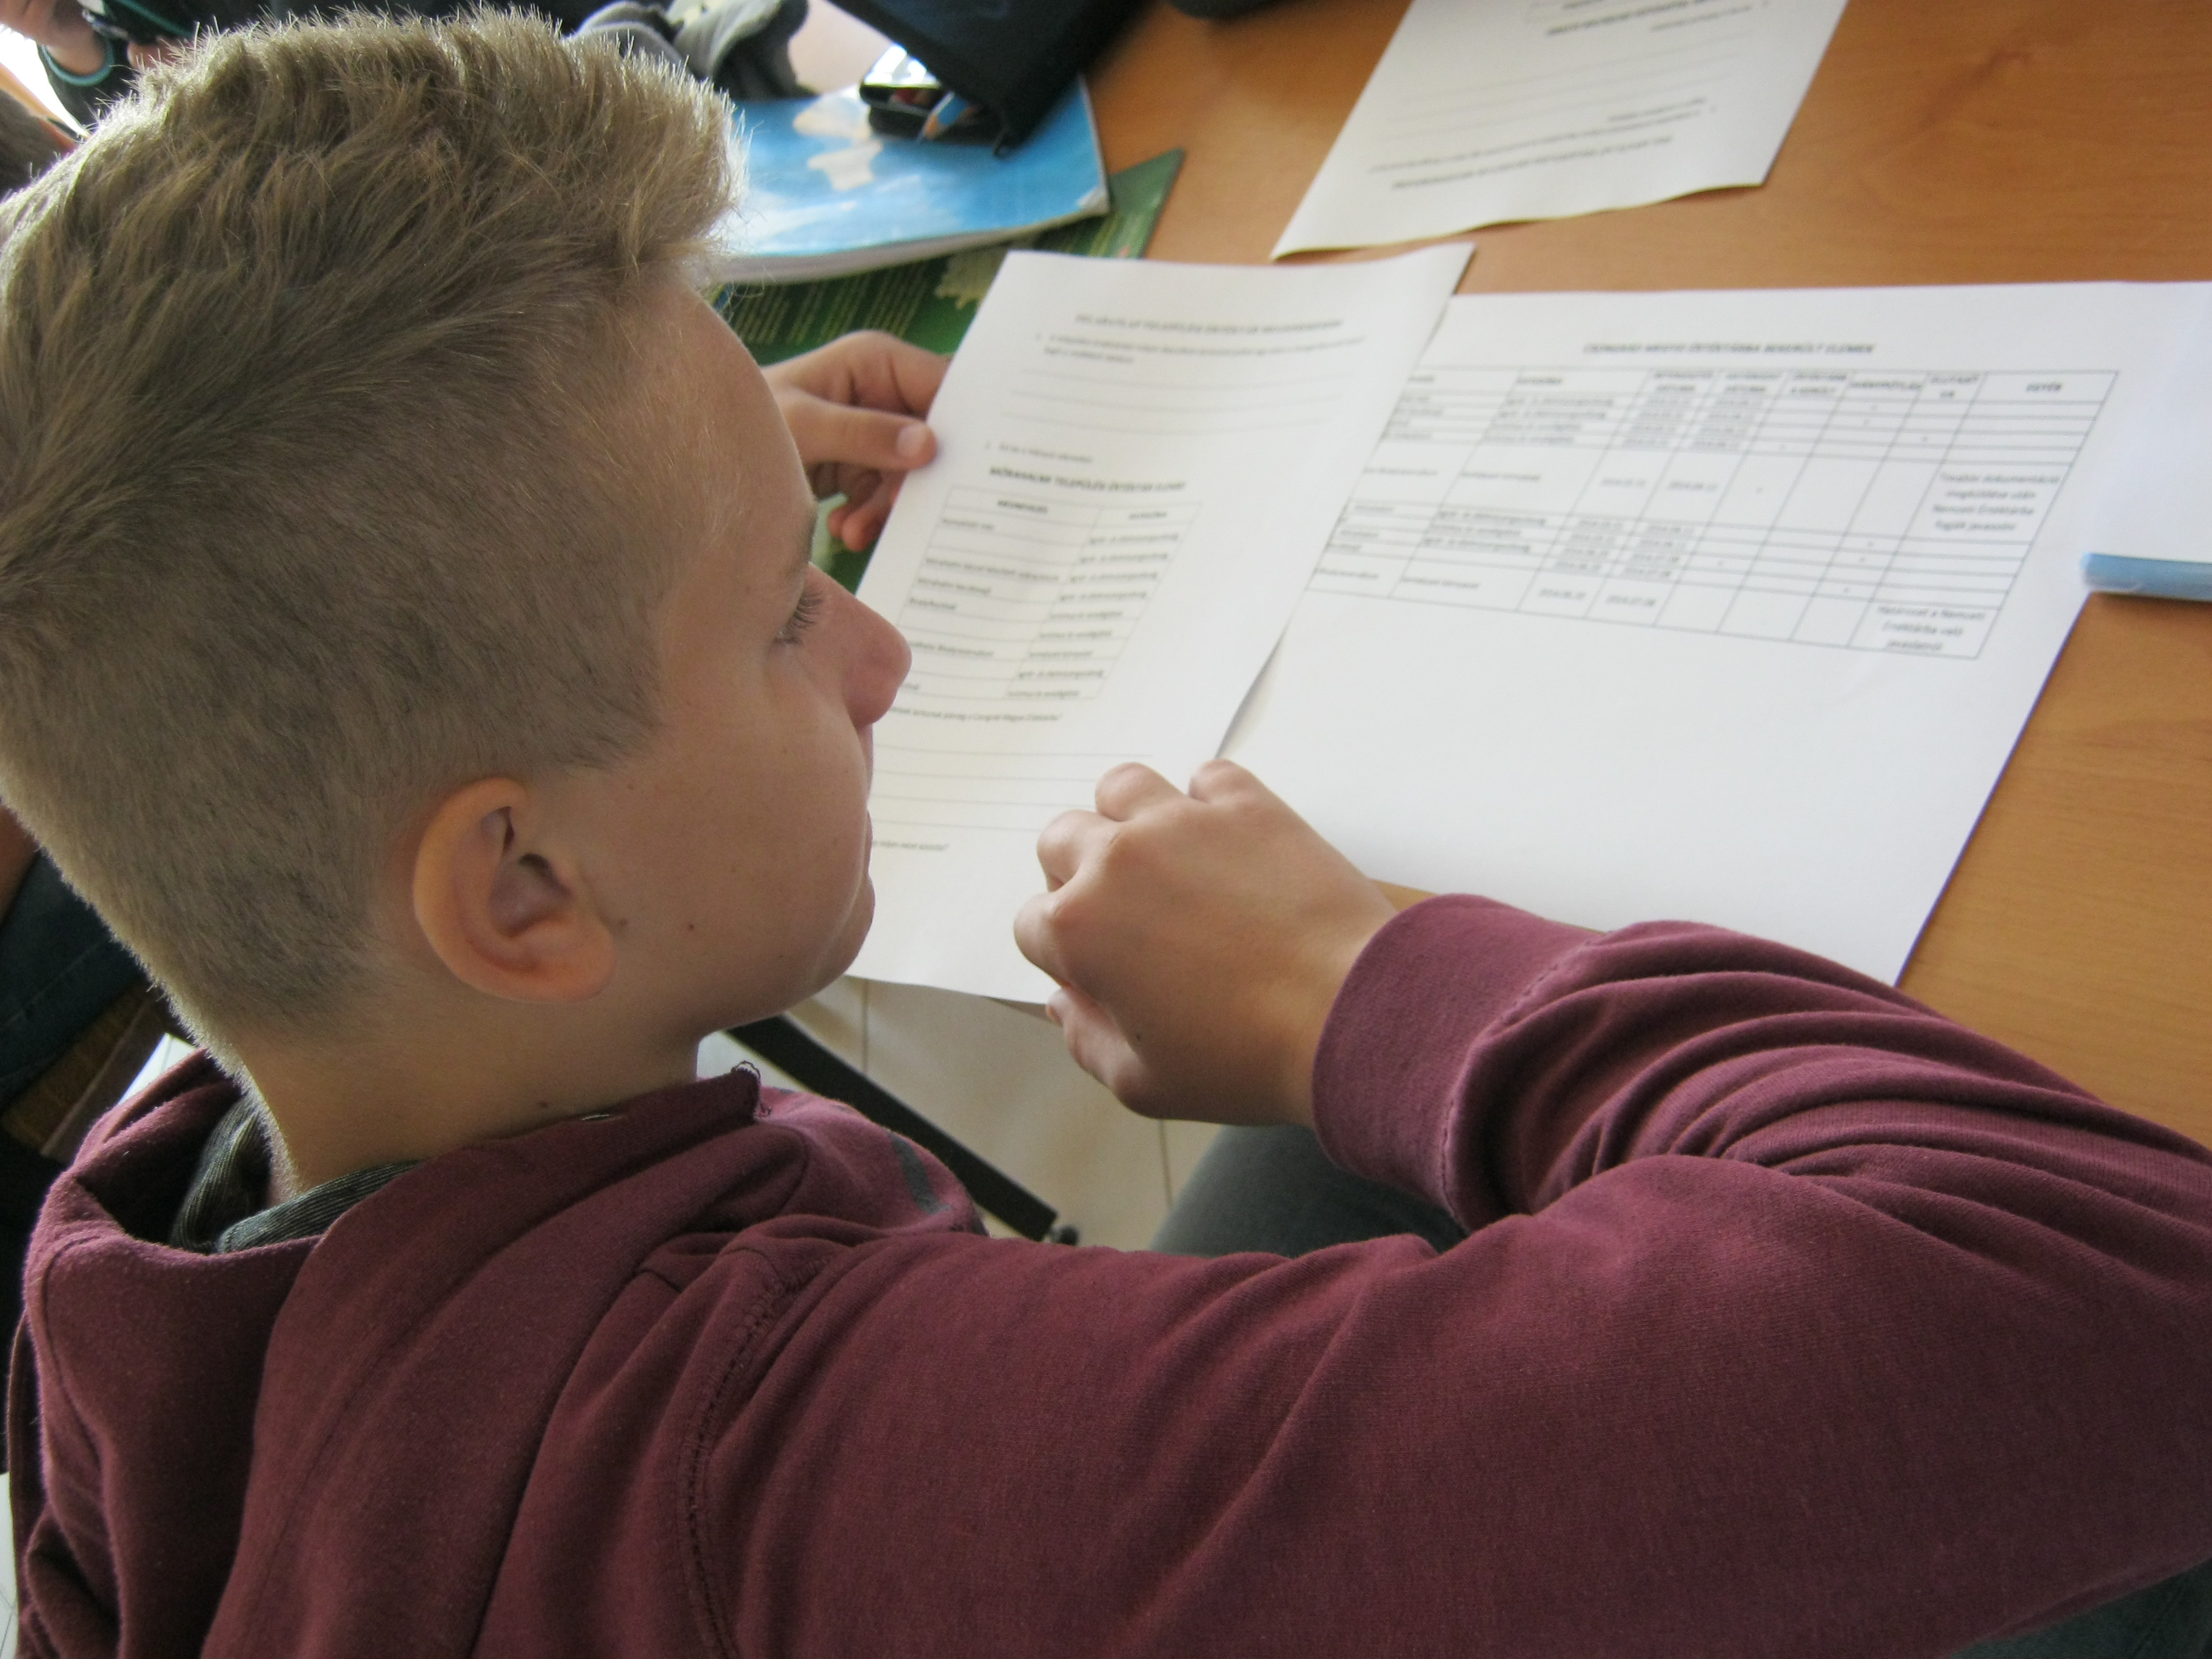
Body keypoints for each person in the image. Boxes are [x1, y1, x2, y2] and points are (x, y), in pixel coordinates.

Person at [1, 17, 2210, 1658]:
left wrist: (675, 513)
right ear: (520, 889)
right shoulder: (821, 1491)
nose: (876, 650)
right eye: (787, 615)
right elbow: (2116, 1298)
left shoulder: (146, 1254)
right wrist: (1360, 982)